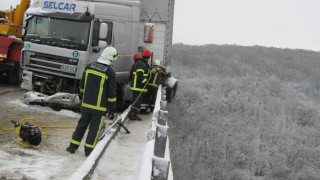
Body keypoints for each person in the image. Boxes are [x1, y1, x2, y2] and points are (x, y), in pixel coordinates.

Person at [66, 47, 119, 156]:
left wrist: (83, 97)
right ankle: (88, 150)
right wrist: (112, 108)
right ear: (110, 58)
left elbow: (82, 85)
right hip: (99, 107)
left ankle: (72, 147)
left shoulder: (89, 66)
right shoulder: (110, 72)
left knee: (81, 125)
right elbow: (111, 93)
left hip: (86, 104)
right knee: (94, 128)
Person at [128, 49, 151, 120]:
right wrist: (145, 81)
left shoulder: (142, 63)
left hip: (138, 86)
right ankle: (132, 114)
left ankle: (133, 113)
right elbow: (140, 75)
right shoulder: (141, 64)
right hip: (138, 86)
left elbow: (147, 69)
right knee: (137, 101)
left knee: (137, 100)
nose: (147, 59)